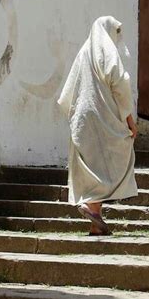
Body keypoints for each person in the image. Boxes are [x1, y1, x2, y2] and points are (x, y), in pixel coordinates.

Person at [58, 16, 138, 235]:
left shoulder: (83, 53)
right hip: (102, 117)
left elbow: (67, 92)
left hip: (82, 119)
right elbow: (120, 85)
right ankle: (91, 207)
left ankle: (96, 223)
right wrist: (130, 121)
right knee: (113, 161)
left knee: (91, 166)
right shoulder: (108, 52)